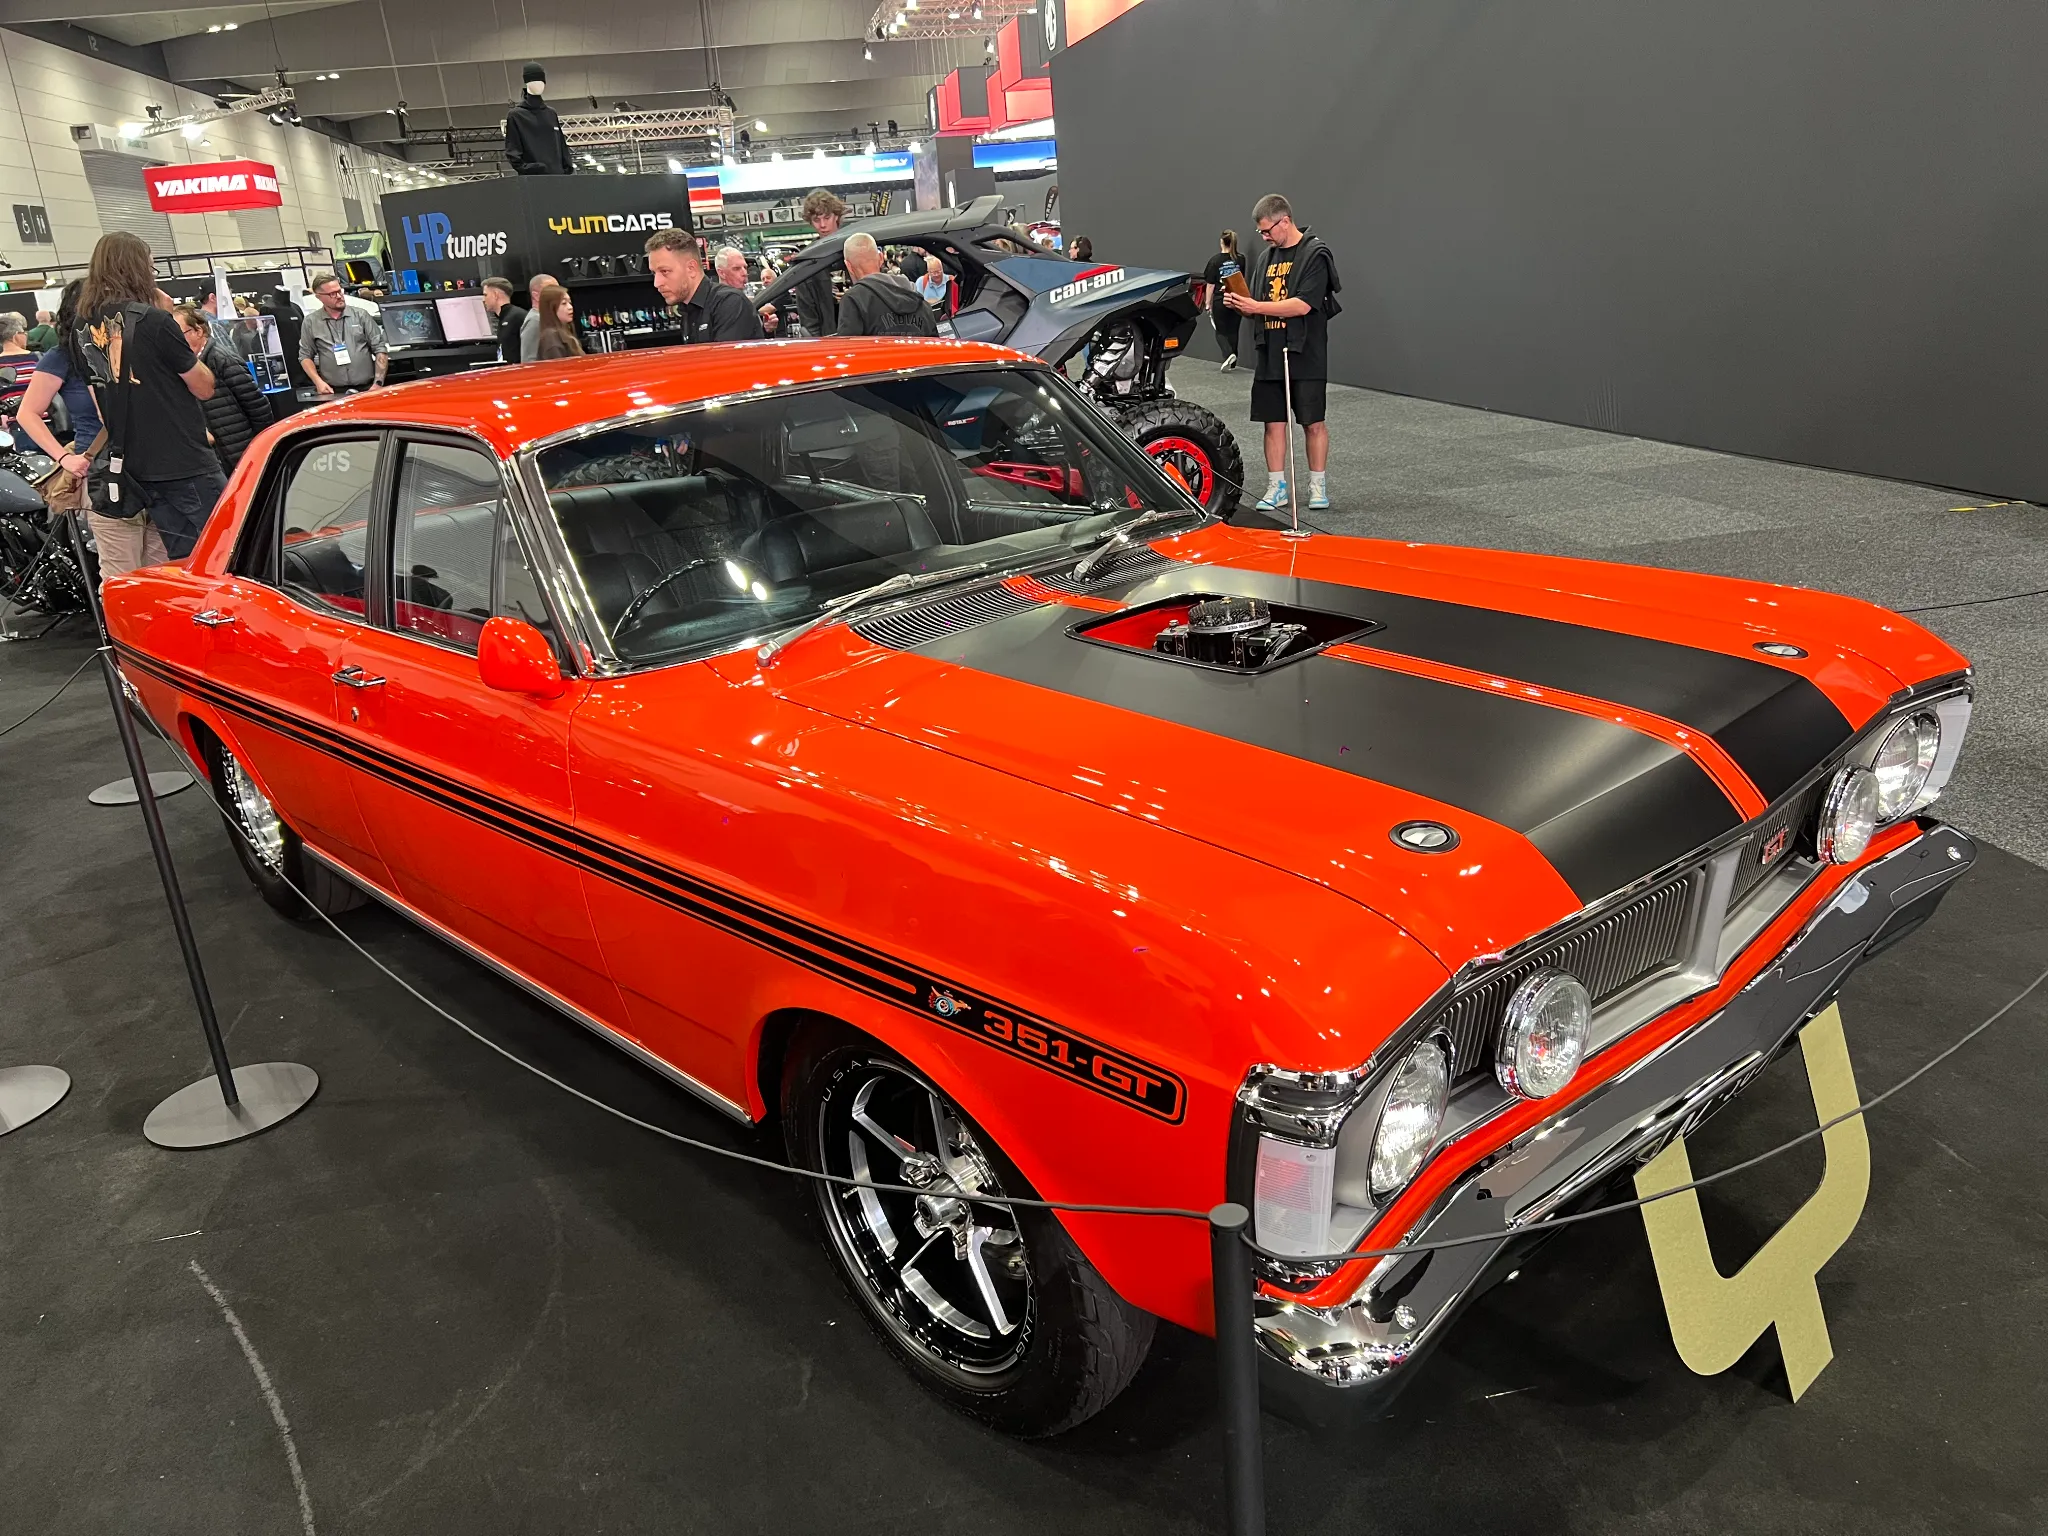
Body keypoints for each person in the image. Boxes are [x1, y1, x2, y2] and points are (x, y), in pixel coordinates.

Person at [74, 230, 221, 564]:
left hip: (135, 464)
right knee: (226, 551)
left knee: (184, 560)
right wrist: (168, 318)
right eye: (151, 266)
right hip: (184, 459)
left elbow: (99, 404)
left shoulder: (80, 328)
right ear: (138, 269)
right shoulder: (154, 320)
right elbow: (204, 387)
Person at [1225, 193, 1341, 513]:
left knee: (1312, 421)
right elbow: (1259, 306)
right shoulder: (1266, 258)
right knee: (1272, 422)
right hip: (1270, 350)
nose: (1264, 237)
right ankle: (1277, 485)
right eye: (1261, 232)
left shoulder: (1316, 253)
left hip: (1306, 351)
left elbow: (1303, 304)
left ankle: (1318, 484)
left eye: (1267, 231)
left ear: (1285, 221)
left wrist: (1255, 306)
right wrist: (1241, 304)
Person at [173, 303, 269, 476]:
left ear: (198, 331)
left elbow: (257, 407)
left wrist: (263, 450)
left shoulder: (222, 359)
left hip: (242, 455)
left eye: (179, 334)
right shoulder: (184, 368)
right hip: (217, 458)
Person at [645, 229, 764, 343]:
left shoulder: (730, 303)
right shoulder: (688, 310)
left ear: (691, 268)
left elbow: (725, 362)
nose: (657, 283)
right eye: (655, 273)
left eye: (665, 271)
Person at [298, 270, 387, 397]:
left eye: (339, 291)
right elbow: (305, 356)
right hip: (333, 391)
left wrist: (378, 383)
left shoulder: (361, 316)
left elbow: (380, 349)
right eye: (332, 294)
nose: (339, 296)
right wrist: (318, 382)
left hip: (367, 389)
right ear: (319, 296)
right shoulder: (311, 322)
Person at [835, 233, 939, 338]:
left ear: (848, 265)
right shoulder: (915, 295)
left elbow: (849, 348)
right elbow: (935, 343)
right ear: (881, 258)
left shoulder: (854, 300)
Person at [790, 189, 850, 337]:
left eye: (827, 217)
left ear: (836, 215)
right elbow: (808, 317)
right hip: (828, 340)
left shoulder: (855, 249)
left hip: (863, 338)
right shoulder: (808, 261)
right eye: (817, 220)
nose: (822, 225)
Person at [504, 62, 574, 176]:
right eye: (534, 81)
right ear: (527, 83)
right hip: (534, 182)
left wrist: (567, 168)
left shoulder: (551, 113)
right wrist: (532, 169)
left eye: (542, 81)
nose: (539, 85)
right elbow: (513, 152)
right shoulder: (516, 116)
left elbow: (561, 145)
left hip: (559, 179)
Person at [1203, 230, 1248, 372]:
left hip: (1220, 300)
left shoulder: (1215, 261)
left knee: (1221, 331)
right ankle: (1233, 362)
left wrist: (1207, 303)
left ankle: (1229, 354)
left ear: (1221, 242)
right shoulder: (1240, 259)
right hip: (1236, 298)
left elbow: (1210, 284)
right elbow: (1241, 279)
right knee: (1234, 330)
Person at [481, 276, 527, 363]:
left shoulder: (517, 317)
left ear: (495, 295)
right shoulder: (504, 317)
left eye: (485, 295)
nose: (483, 300)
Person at [533, 283, 583, 359]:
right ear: (551, 308)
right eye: (564, 303)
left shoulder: (565, 332)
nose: (570, 307)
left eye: (570, 302)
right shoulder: (551, 338)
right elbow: (559, 368)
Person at [518, 271, 558, 362]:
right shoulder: (535, 321)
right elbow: (529, 360)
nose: (557, 293)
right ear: (536, 296)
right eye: (551, 290)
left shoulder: (545, 318)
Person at [0, 314, 35, 399]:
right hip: (40, 412)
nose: (26, 335)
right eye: (23, 332)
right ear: (16, 336)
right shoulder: (40, 359)